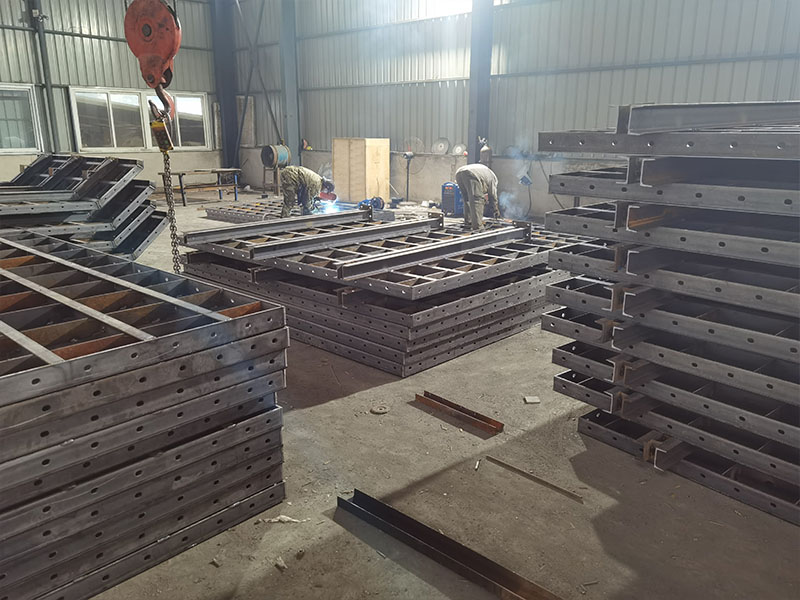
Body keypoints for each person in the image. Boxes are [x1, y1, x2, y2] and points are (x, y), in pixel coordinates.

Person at [455, 163, 499, 230]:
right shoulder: (493, 179)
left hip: (459, 173)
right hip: (472, 174)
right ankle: (478, 227)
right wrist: (495, 209)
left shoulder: (486, 174)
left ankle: (468, 222)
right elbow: (493, 195)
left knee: (467, 199)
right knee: (477, 200)